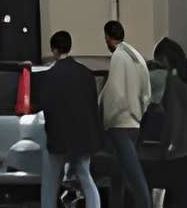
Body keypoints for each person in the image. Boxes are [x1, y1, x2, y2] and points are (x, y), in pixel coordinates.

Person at [39, 30, 103, 208]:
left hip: (59, 134)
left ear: (54, 50)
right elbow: (92, 105)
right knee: (85, 175)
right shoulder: (86, 74)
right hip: (83, 135)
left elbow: (47, 108)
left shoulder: (50, 76)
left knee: (51, 179)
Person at [101, 20, 153, 208]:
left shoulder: (118, 57)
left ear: (108, 37)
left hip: (120, 124)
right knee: (118, 174)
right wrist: (140, 112)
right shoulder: (136, 55)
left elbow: (115, 92)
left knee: (133, 175)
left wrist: (107, 120)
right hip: (135, 123)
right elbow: (146, 91)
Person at [151, 39, 187, 208]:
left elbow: (174, 115)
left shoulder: (173, 81)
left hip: (179, 148)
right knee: (186, 195)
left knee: (177, 195)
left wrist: (170, 143)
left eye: (160, 62)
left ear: (165, 58)